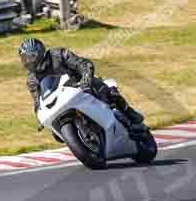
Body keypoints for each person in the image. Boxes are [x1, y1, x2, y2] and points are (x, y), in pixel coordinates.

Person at [19, 37, 147, 132]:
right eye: (25, 58)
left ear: (40, 52)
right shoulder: (32, 80)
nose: (28, 61)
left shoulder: (57, 54)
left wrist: (86, 78)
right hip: (60, 100)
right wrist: (40, 118)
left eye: (31, 57)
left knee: (106, 90)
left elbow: (83, 64)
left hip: (80, 85)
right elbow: (37, 102)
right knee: (55, 133)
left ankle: (128, 112)